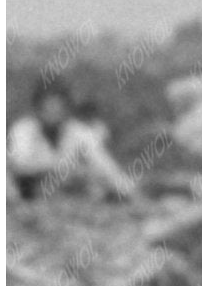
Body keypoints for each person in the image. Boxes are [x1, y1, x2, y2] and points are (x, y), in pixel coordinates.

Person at [8, 80, 136, 202]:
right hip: (27, 190)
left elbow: (105, 165)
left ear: (66, 110)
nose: (53, 115)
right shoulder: (23, 130)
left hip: (69, 193)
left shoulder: (79, 132)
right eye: (48, 109)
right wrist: (62, 171)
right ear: (37, 110)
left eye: (57, 109)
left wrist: (125, 189)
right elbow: (20, 165)